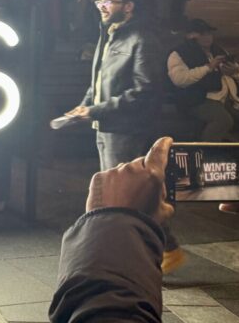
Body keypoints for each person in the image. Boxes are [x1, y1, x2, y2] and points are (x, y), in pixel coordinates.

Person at [63, 0, 183, 272]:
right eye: (99, 2)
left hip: (126, 129)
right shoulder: (110, 35)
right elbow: (100, 80)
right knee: (118, 194)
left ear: (128, 6)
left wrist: (97, 109)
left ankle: (154, 251)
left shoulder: (141, 40)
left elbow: (144, 90)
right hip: (105, 125)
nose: (102, 8)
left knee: (125, 196)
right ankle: (159, 249)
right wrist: (86, 104)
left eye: (108, 2)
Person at [49, 136, 173, 322]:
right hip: (103, 128)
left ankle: (169, 248)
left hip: (122, 129)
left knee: (124, 186)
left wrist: (114, 219)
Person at [168, 18, 239, 141]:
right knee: (223, 120)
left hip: (227, 98)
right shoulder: (179, 53)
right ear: (190, 36)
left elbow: (237, 73)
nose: (207, 37)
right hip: (199, 99)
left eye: (209, 33)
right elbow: (179, 79)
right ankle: (204, 152)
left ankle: (233, 148)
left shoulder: (219, 50)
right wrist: (208, 67)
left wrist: (236, 73)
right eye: (202, 34)